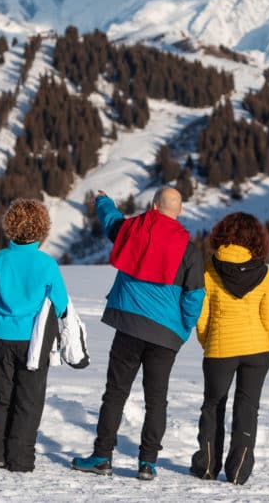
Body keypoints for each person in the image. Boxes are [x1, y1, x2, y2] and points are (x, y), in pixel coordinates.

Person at [72, 187, 205, 481]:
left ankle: (102, 456)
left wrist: (103, 201)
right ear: (179, 210)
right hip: (166, 334)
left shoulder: (134, 230)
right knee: (156, 400)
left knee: (116, 393)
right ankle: (147, 463)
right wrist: (182, 328)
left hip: (129, 326)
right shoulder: (189, 250)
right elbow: (195, 296)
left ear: (154, 206)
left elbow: (111, 221)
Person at [189, 212, 269, 485]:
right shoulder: (263, 272)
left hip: (219, 348)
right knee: (248, 408)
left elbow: (202, 315)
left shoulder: (210, 267)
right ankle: (239, 469)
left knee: (213, 406)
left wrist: (208, 342)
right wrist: (265, 344)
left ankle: (207, 465)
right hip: (257, 350)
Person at [0, 198, 69, 472]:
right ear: (42, 228)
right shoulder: (46, 265)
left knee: (3, 396)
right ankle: (20, 458)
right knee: (28, 400)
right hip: (33, 340)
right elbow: (62, 304)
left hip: (1, 336)